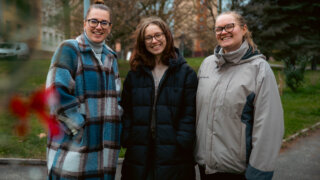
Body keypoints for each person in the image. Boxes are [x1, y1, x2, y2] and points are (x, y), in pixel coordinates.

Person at [195, 11, 284, 180]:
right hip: (205, 167)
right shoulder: (207, 65)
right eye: (219, 28)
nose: (223, 32)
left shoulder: (259, 69)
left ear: (244, 29)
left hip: (237, 171)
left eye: (229, 26)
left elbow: (269, 127)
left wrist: (259, 172)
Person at [45, 4, 122, 179]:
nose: (98, 27)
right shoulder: (69, 49)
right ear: (84, 23)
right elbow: (55, 93)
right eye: (93, 21)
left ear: (110, 27)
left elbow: (116, 97)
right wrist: (79, 127)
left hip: (105, 147)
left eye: (104, 23)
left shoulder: (111, 57)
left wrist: (117, 121)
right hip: (74, 146)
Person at [120, 16, 198, 180]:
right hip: (139, 151)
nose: (154, 41)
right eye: (148, 37)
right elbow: (126, 109)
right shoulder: (135, 74)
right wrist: (128, 137)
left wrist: (181, 141)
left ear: (167, 36)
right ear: (143, 42)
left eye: (158, 35)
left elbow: (190, 112)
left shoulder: (186, 74)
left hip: (174, 154)